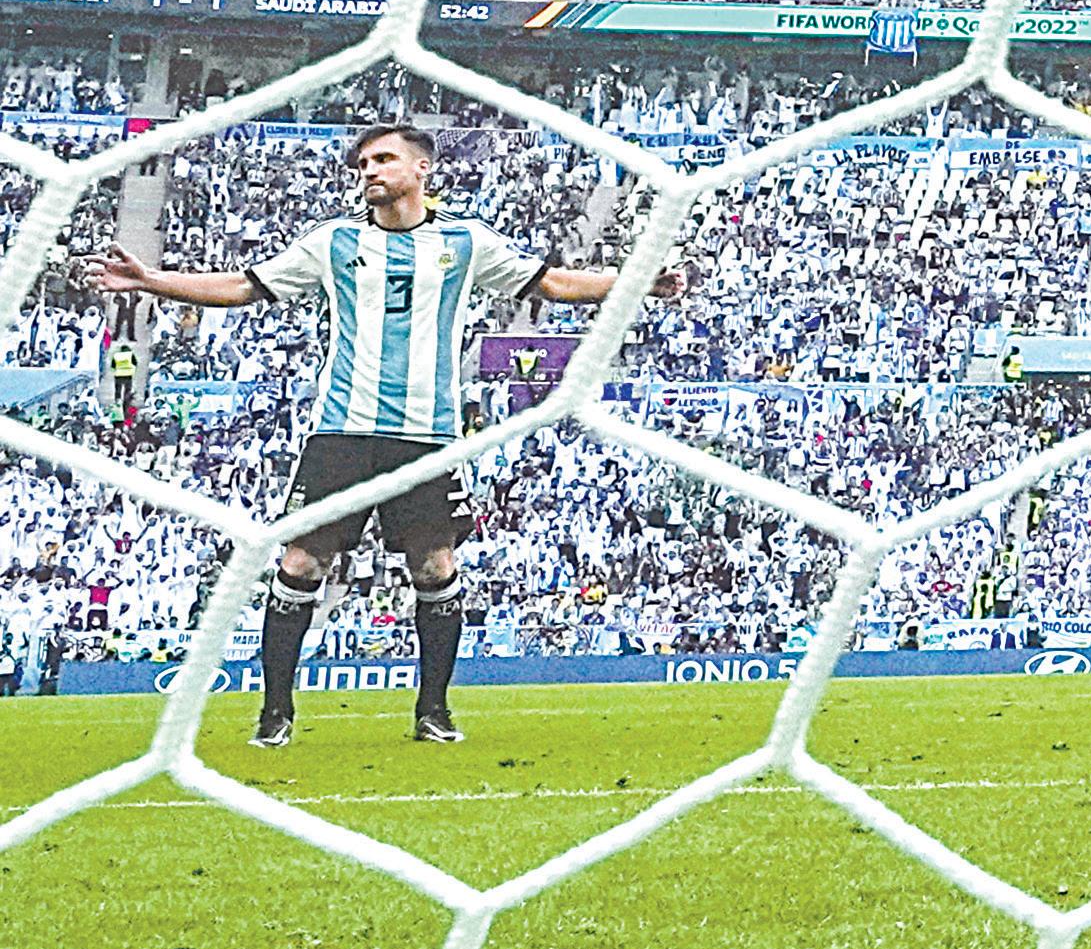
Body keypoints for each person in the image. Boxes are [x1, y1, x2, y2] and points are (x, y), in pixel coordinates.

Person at [80, 122, 682, 747]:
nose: (369, 170)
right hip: (341, 431)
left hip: (427, 436)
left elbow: (554, 283)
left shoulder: (465, 241)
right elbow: (244, 286)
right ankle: (275, 713)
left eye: (384, 159)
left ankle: (433, 711)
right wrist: (151, 279)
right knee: (300, 562)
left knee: (434, 565)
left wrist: (638, 279)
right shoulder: (333, 241)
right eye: (363, 162)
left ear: (422, 168)